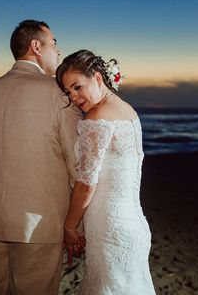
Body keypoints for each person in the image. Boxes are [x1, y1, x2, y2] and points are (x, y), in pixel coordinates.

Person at [0, 20, 82, 295]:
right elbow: (77, 164)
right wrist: (74, 224)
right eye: (54, 43)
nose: (58, 50)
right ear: (36, 47)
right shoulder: (58, 93)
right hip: (39, 222)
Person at [56, 50, 156, 294]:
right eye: (69, 92)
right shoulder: (128, 112)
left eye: (78, 87)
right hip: (134, 224)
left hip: (109, 227)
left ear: (98, 78)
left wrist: (70, 227)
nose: (75, 97)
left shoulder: (97, 116)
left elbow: (86, 183)